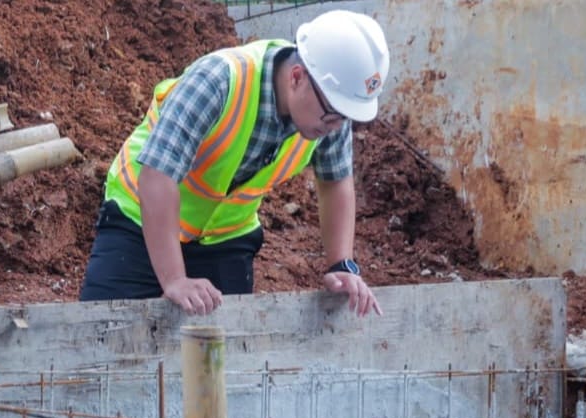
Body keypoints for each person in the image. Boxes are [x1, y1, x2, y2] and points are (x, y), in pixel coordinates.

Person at [79, 10, 389, 317]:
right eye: (334, 114)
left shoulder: (327, 109)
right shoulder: (218, 81)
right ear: (296, 78)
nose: (337, 126)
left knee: (223, 356)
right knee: (100, 337)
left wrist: (342, 265)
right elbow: (157, 177)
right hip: (141, 219)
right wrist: (175, 279)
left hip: (224, 238)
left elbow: (335, 181)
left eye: (346, 116)